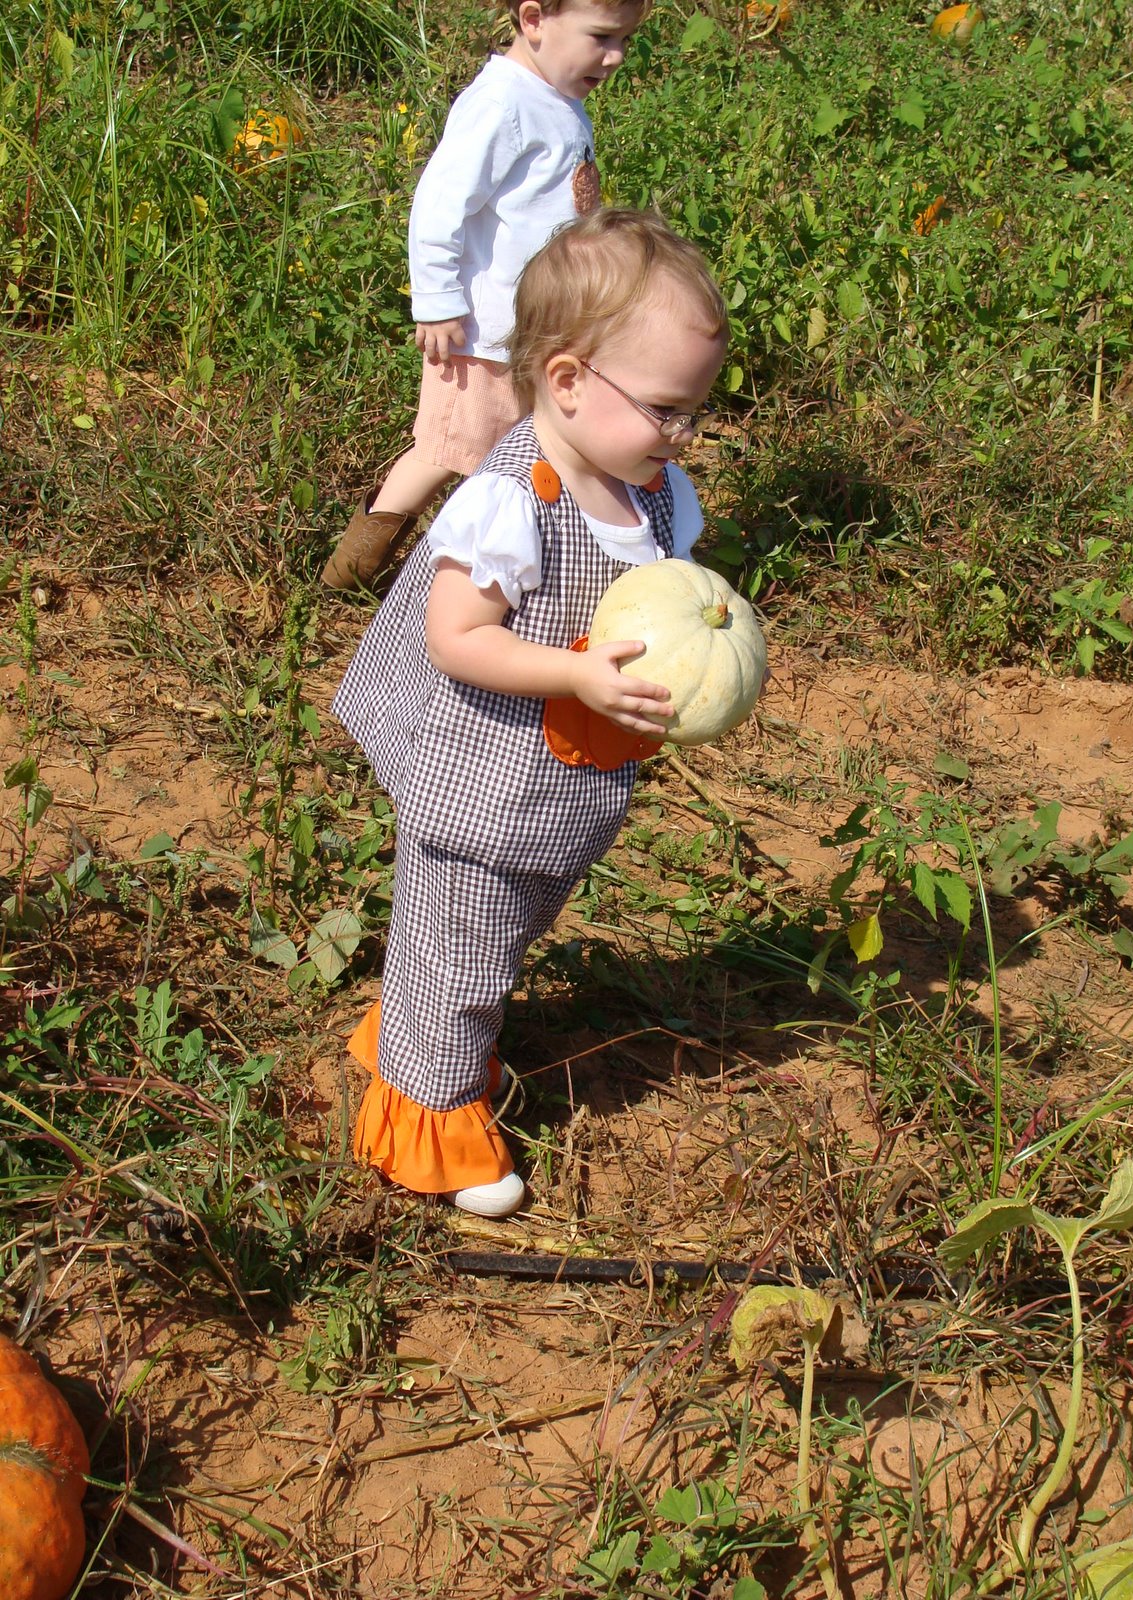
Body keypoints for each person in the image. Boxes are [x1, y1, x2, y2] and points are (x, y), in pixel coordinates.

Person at [331, 209, 729, 1216]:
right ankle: (427, 1121)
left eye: (695, 411)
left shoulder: (651, 492)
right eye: (667, 410)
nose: (684, 434)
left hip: (558, 796)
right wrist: (579, 674)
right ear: (565, 382)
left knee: (492, 933)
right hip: (479, 786)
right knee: (465, 944)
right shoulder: (515, 498)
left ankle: (415, 1023)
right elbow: (456, 637)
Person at [321, 0, 651, 591]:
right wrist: (439, 300)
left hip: (535, 334)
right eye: (602, 36)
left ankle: (520, 573)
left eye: (625, 38)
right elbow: (439, 205)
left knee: (527, 459)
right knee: (444, 453)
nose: (616, 55)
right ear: (533, 20)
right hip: (481, 338)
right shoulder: (503, 102)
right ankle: (352, 572)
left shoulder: (558, 101)